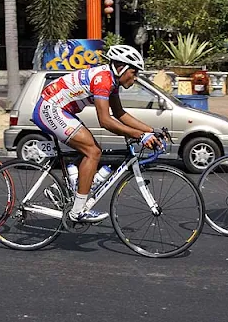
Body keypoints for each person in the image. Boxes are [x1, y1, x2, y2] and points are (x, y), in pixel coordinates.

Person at [32, 44, 162, 222]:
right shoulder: (103, 80)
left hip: (62, 110)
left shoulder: (112, 81)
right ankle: (77, 211)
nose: (136, 77)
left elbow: (120, 114)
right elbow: (106, 121)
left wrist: (150, 130)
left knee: (92, 149)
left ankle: (65, 188)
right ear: (121, 68)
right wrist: (140, 136)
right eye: (134, 72)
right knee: (93, 151)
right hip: (50, 109)